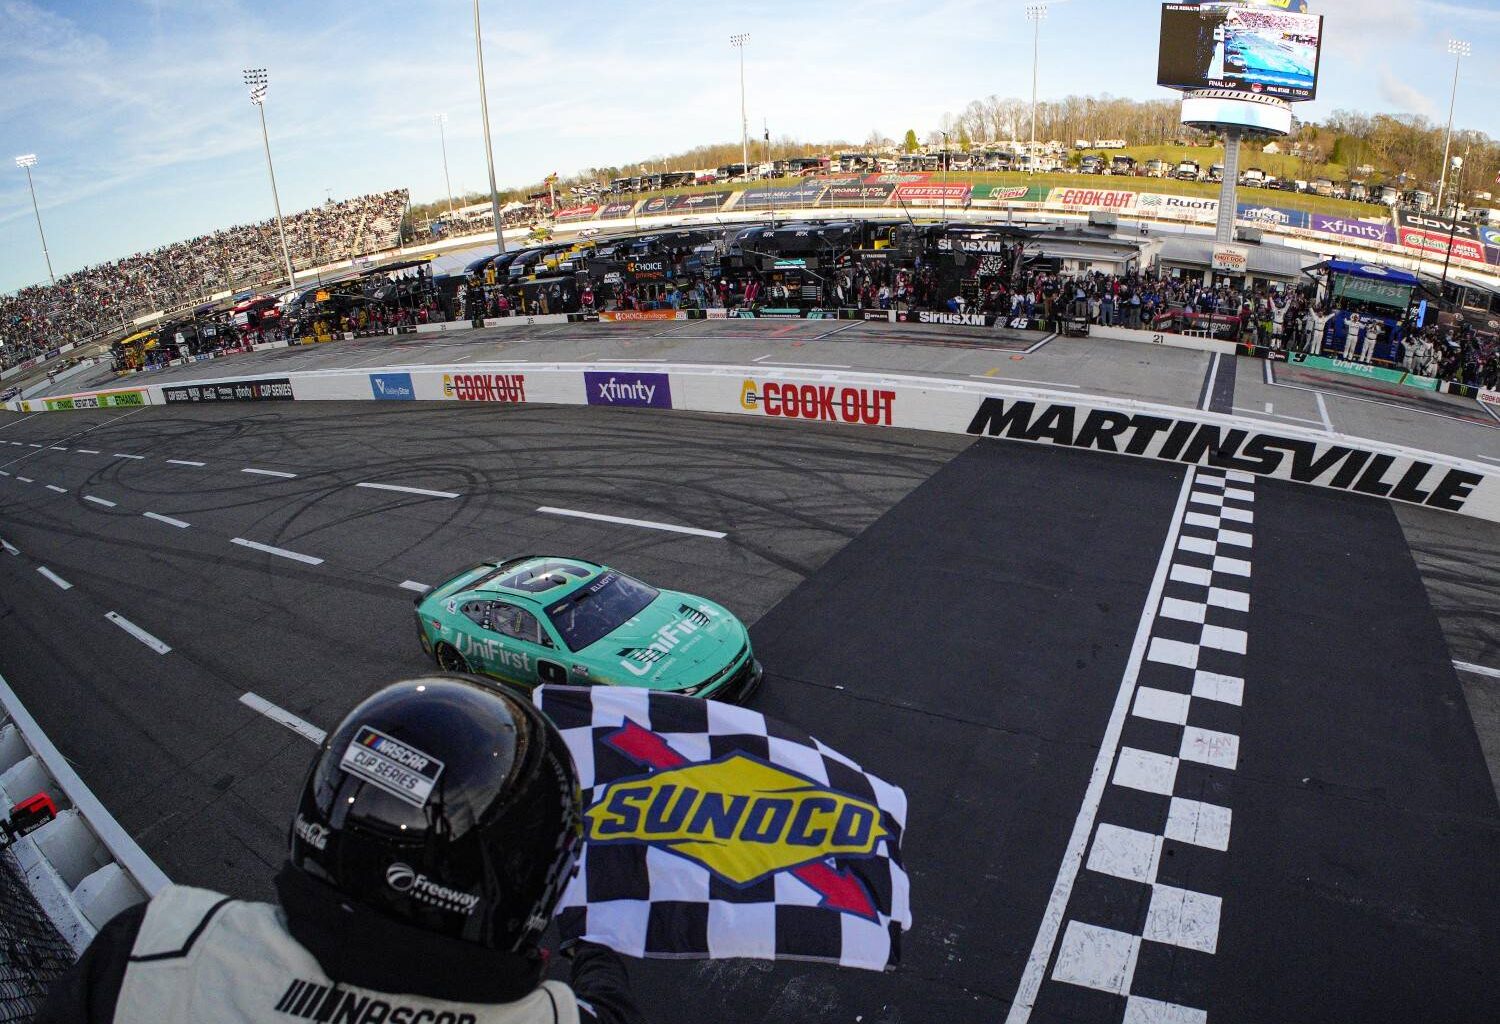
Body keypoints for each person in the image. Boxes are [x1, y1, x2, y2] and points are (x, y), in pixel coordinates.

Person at [39, 676, 643, 1024]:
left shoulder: (156, 944)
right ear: (533, 875)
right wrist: (596, 945)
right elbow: (609, 1008)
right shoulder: (559, 1018)